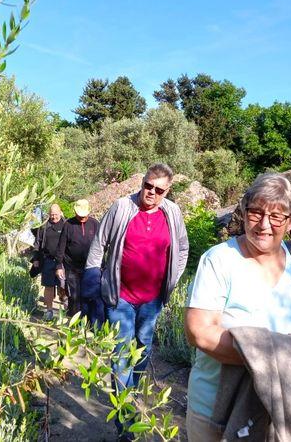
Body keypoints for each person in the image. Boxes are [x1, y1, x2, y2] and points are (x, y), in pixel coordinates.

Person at [184, 173, 291, 441]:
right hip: (217, 416)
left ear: (290, 222)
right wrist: (278, 357)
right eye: (256, 212)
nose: (264, 224)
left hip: (286, 411)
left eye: (277, 216)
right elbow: (199, 332)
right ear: (243, 212)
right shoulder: (219, 260)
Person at [85, 163, 189, 441]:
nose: (152, 193)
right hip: (119, 298)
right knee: (121, 357)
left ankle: (129, 396)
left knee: (142, 351)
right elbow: (99, 245)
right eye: (148, 186)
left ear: (167, 191)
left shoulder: (172, 213)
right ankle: (126, 422)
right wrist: (93, 284)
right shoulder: (122, 207)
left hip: (153, 300)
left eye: (159, 189)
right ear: (142, 182)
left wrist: (172, 280)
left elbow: (181, 248)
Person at [56, 199, 99, 317]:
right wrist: (59, 265)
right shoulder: (68, 225)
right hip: (72, 267)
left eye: (84, 216)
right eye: (80, 215)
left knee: (89, 294)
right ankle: (74, 321)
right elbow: (61, 246)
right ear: (75, 212)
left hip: (90, 267)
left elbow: (101, 245)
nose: (82, 218)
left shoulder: (95, 224)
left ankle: (88, 321)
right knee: (74, 296)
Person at [31, 204, 66, 321]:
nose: (54, 217)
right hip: (48, 260)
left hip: (63, 261)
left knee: (63, 285)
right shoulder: (44, 226)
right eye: (51, 215)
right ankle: (49, 310)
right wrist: (36, 258)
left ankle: (66, 308)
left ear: (60, 213)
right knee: (48, 286)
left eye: (56, 214)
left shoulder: (66, 225)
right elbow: (38, 243)